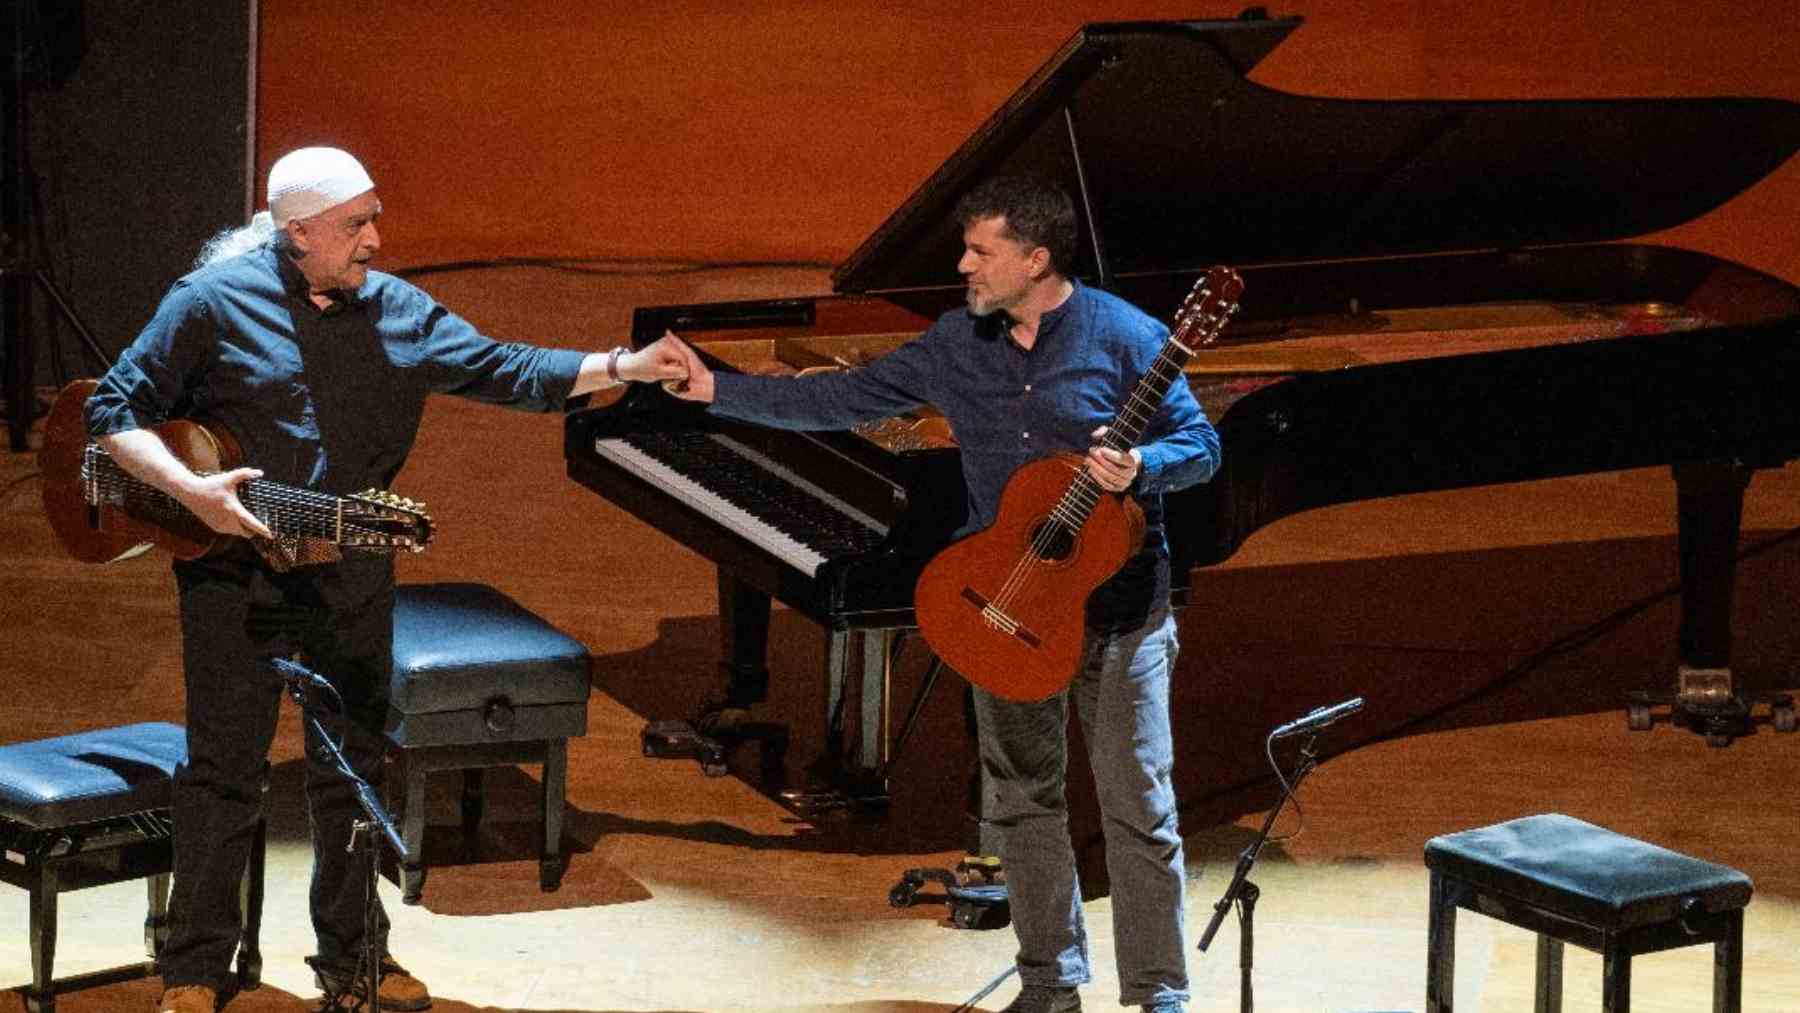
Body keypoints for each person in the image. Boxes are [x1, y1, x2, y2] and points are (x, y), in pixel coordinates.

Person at [85, 146, 687, 1013]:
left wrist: (621, 367)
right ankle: (196, 965)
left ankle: (356, 954)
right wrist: (190, 490)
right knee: (223, 771)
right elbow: (113, 408)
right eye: (355, 223)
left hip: (350, 576)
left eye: (373, 216)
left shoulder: (398, 311)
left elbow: (509, 369)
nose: (376, 236)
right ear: (297, 232)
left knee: (352, 772)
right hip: (234, 576)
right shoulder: (209, 303)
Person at [660, 175, 1219, 1013]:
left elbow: (1202, 444)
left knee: (1138, 805)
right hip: (1006, 606)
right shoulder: (958, 341)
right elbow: (839, 397)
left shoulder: (1128, 337)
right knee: (1022, 799)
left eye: (979, 252)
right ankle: (1050, 981)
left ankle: (1158, 992)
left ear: (1036, 260)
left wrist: (1145, 467)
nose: (961, 265)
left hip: (1118, 615)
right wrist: (718, 390)